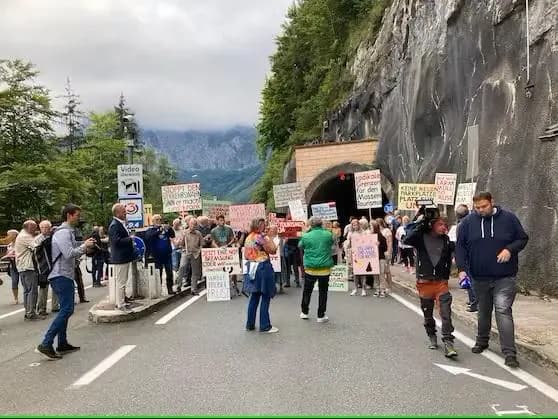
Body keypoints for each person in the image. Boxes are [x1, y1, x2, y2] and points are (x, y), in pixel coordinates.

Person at [455, 192, 529, 368]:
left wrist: (509, 249)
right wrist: (462, 270)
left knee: (503, 311)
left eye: (484, 206)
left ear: (492, 202)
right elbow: (460, 246)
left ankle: (509, 353)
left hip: (505, 276)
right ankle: (482, 341)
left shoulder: (509, 218)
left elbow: (522, 238)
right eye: (477, 208)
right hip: (479, 277)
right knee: (483, 310)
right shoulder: (467, 223)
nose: (481, 210)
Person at [36, 204, 96, 359]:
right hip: (60, 275)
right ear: (69, 215)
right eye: (77, 215)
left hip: (64, 274)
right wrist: (85, 246)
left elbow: (72, 248)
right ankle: (46, 342)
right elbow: (69, 254)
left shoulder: (66, 232)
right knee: (67, 309)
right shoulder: (63, 233)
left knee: (65, 308)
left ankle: (62, 343)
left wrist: (84, 244)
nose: (78, 217)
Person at [403, 212, 458, 358]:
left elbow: (454, 252)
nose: (444, 228)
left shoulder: (446, 240)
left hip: (441, 282)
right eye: (440, 224)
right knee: (428, 315)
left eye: (445, 225)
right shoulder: (420, 237)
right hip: (424, 282)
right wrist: (419, 220)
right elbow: (407, 237)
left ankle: (448, 342)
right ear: (432, 224)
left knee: (445, 313)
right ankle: (432, 336)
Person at [243, 218, 278, 333]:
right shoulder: (262, 237)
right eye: (263, 224)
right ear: (259, 226)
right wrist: (271, 237)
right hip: (263, 267)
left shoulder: (249, 237)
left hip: (251, 267)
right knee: (265, 295)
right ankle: (265, 325)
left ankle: (250, 324)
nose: (265, 226)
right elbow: (273, 250)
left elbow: (245, 255)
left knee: (254, 296)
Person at [299, 216, 334, 322]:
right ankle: (321, 315)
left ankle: (304, 312)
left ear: (311, 224)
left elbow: (300, 245)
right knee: (323, 292)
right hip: (324, 268)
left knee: (307, 291)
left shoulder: (306, 236)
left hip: (310, 268)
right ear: (321, 224)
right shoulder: (328, 234)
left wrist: (306, 232)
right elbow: (331, 243)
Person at [449, 204, 477, 312]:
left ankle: (474, 302)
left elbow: (459, 243)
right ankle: (473, 300)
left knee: (469, 279)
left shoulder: (461, 225)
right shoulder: (474, 222)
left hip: (466, 255)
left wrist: (457, 256)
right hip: (474, 253)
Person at [108, 203, 135, 311]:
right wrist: (130, 238)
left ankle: (123, 300)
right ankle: (120, 304)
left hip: (124, 256)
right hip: (120, 257)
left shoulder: (120, 223)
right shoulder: (115, 225)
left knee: (123, 280)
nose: (125, 213)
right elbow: (116, 241)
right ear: (117, 213)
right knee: (121, 282)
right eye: (123, 211)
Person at [15, 220, 41, 320]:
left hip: (22, 267)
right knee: (32, 291)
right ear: (29, 227)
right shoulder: (25, 236)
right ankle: (31, 313)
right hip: (28, 266)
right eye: (34, 227)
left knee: (27, 291)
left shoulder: (21, 235)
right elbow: (36, 245)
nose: (36, 229)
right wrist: (42, 235)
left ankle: (28, 312)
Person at [33, 220, 59, 315]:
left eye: (46, 227)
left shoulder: (54, 238)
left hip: (54, 265)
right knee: (43, 288)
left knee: (56, 286)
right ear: (40, 228)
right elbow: (35, 252)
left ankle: (55, 306)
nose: (44, 229)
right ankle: (41, 309)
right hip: (43, 267)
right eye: (42, 227)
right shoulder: (37, 239)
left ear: (50, 228)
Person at [145, 214, 176, 295]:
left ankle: (170, 288)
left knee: (169, 272)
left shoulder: (165, 229)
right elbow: (148, 237)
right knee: (159, 273)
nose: (159, 221)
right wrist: (159, 230)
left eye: (160, 219)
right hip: (157, 255)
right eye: (157, 220)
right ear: (153, 221)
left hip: (167, 254)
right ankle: (159, 289)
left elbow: (172, 235)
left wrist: (169, 228)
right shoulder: (151, 230)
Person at [177, 217, 203, 295]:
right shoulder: (184, 232)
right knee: (182, 267)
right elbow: (181, 244)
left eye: (195, 224)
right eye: (192, 224)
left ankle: (194, 289)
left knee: (195, 272)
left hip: (195, 253)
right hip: (186, 252)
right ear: (189, 224)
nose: (193, 225)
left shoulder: (198, 233)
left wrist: (199, 250)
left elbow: (201, 244)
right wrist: (181, 240)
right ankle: (178, 285)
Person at [370, 220, 389, 297]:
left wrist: (379, 245)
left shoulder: (381, 237)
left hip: (380, 257)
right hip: (373, 258)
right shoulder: (369, 237)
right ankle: (377, 289)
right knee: (375, 274)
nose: (370, 228)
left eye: (371, 226)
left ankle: (383, 290)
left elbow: (385, 248)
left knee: (381, 274)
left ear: (375, 227)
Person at [377, 218, 394, 294]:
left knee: (387, 271)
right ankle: (385, 286)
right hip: (380, 253)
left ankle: (390, 287)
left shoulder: (387, 231)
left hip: (386, 252)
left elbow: (390, 242)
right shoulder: (377, 232)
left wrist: (389, 252)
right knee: (382, 271)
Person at [4, 229, 20, 304]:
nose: (8, 236)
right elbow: (8, 254)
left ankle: (27, 296)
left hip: (21, 264)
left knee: (24, 282)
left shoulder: (20, 243)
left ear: (15, 235)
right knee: (14, 281)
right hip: (12, 265)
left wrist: (10, 255)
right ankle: (16, 298)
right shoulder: (9, 245)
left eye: (9, 235)